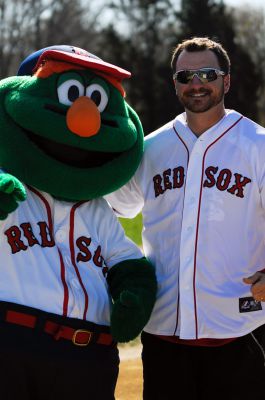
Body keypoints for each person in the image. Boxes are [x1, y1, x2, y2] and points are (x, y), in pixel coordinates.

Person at [105, 37, 265, 400]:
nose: (196, 83)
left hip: (240, 329)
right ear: (174, 83)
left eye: (207, 73)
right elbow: (110, 207)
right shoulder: (152, 147)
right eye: (185, 76)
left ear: (226, 81)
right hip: (165, 334)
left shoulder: (257, 145)